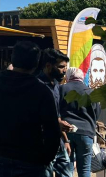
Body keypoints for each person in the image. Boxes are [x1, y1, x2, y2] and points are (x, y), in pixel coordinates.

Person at [0, 41, 60, 177]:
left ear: (12, 59)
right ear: (36, 63)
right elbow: (53, 131)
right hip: (32, 160)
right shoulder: (41, 91)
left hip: (0, 157)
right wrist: (46, 159)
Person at [38, 48, 74, 177]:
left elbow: (57, 115)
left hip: (58, 142)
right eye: (61, 67)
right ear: (48, 66)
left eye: (65, 67)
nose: (65, 70)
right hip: (43, 143)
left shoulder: (57, 85)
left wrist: (66, 140)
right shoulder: (37, 86)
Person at [60, 67, 101, 177]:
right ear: (82, 77)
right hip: (86, 132)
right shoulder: (91, 92)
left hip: (66, 132)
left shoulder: (61, 89)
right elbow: (97, 114)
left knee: (66, 166)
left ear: (68, 77)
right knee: (84, 168)